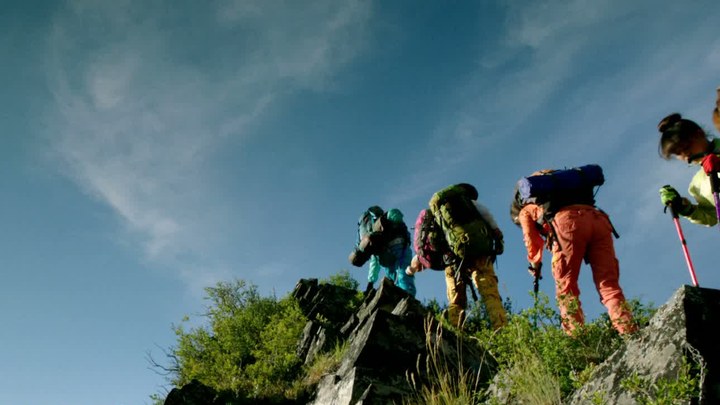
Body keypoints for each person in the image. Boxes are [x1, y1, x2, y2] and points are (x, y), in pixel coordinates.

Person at [510, 169, 637, 335]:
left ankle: (578, 340)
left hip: (567, 225)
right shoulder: (566, 182)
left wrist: (535, 265)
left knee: (566, 288)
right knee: (608, 283)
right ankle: (628, 330)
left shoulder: (526, 208)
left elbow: (531, 240)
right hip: (598, 220)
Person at [425, 184, 507, 330]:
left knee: (456, 301)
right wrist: (497, 235)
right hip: (480, 253)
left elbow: (432, 241)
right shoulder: (471, 204)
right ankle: (502, 330)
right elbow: (488, 217)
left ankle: (457, 335)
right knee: (490, 294)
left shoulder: (436, 213)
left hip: (453, 260)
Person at [657, 113, 720, 227]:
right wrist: (684, 208)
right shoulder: (697, 185)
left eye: (686, 147)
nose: (685, 154)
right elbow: (712, 216)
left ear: (699, 133)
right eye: (678, 153)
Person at [348, 206, 416, 297]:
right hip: (400, 248)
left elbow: (374, 262)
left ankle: (399, 301)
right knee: (404, 276)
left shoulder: (369, 234)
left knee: (393, 281)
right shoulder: (383, 223)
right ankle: (408, 299)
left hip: (386, 257)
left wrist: (370, 282)